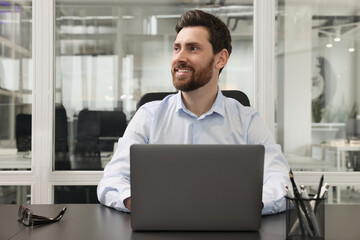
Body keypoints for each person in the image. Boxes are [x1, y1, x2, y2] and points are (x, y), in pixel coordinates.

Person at [97, 9, 291, 215]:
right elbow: (112, 179)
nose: (180, 57)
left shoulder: (247, 121)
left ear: (221, 59)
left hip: (227, 227)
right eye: (176, 48)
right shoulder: (149, 116)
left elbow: (281, 181)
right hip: (161, 226)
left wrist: (244, 207)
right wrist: (137, 202)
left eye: (193, 48)